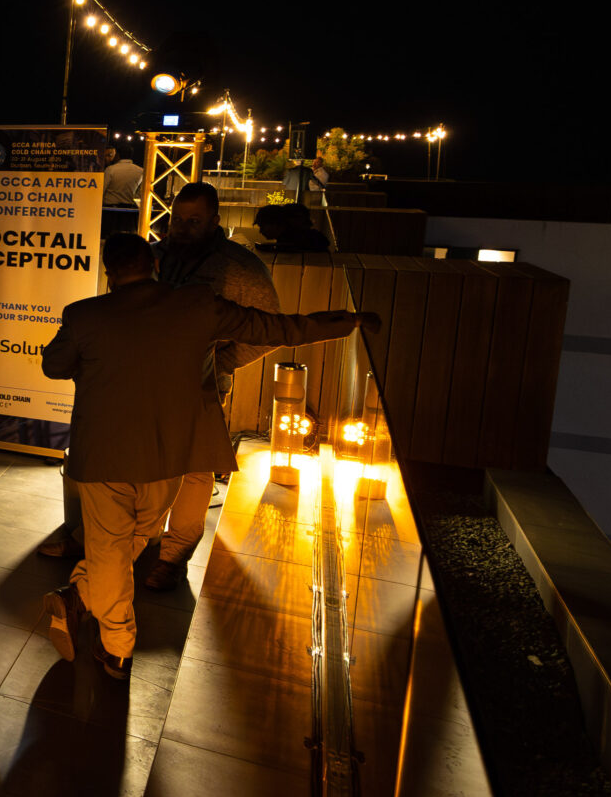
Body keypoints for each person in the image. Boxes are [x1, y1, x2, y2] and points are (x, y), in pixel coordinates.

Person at [39, 233, 375, 678]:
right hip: (169, 453)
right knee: (136, 536)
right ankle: (114, 641)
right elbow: (278, 328)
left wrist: (97, 362)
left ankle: (87, 607)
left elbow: (53, 366)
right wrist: (346, 322)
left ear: (109, 272)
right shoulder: (198, 305)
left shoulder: (85, 315)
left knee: (112, 546)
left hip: (104, 453)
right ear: (154, 265)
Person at [148, 181, 283, 588]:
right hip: (148, 380)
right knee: (146, 463)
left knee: (193, 470)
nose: (183, 228)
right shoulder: (154, 257)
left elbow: (268, 330)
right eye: (177, 219)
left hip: (202, 386)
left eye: (194, 221)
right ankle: (141, 540)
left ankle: (174, 554)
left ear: (214, 221)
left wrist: (220, 363)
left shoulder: (241, 268)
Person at [101, 143, 145, 237]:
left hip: (109, 211)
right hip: (128, 212)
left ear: (118, 155)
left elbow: (102, 189)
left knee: (107, 238)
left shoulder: (111, 169)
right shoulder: (140, 171)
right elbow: (139, 194)